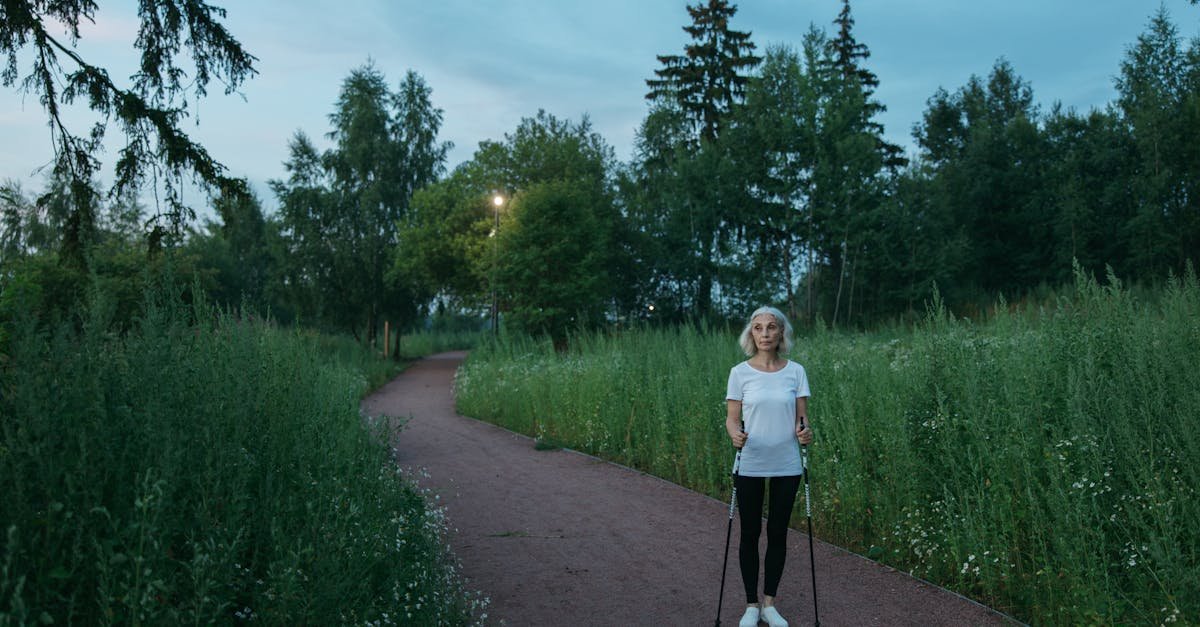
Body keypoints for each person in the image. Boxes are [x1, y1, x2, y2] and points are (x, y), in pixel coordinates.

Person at [725, 306, 813, 627]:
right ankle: (750, 605)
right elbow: (732, 420)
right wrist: (735, 434)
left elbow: (802, 420)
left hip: (787, 463)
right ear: (751, 333)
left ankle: (769, 604)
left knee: (777, 533)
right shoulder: (740, 373)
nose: (764, 334)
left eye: (771, 328)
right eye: (758, 328)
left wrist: (805, 433)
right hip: (750, 461)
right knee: (749, 532)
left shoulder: (796, 372)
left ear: (781, 333)